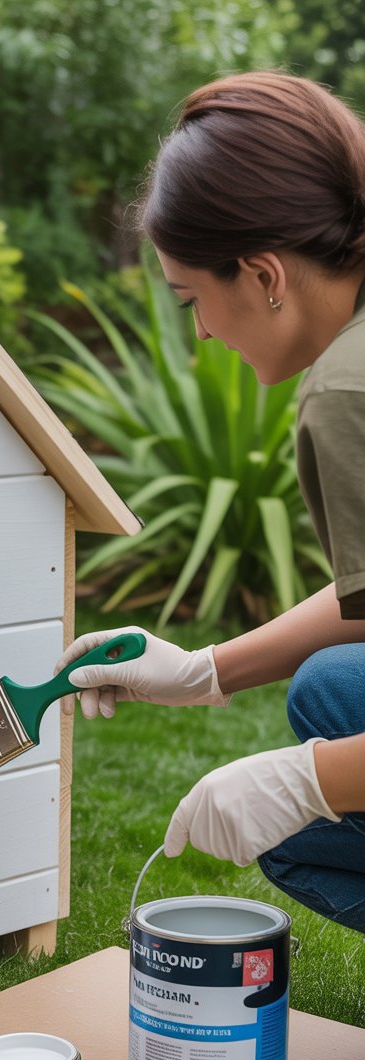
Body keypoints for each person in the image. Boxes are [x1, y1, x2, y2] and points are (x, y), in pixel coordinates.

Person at [56, 71, 365, 933]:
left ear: (264, 273)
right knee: (335, 691)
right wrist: (205, 672)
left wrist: (306, 782)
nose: (199, 331)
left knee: (309, 814)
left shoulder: (347, 391)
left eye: (192, 298)